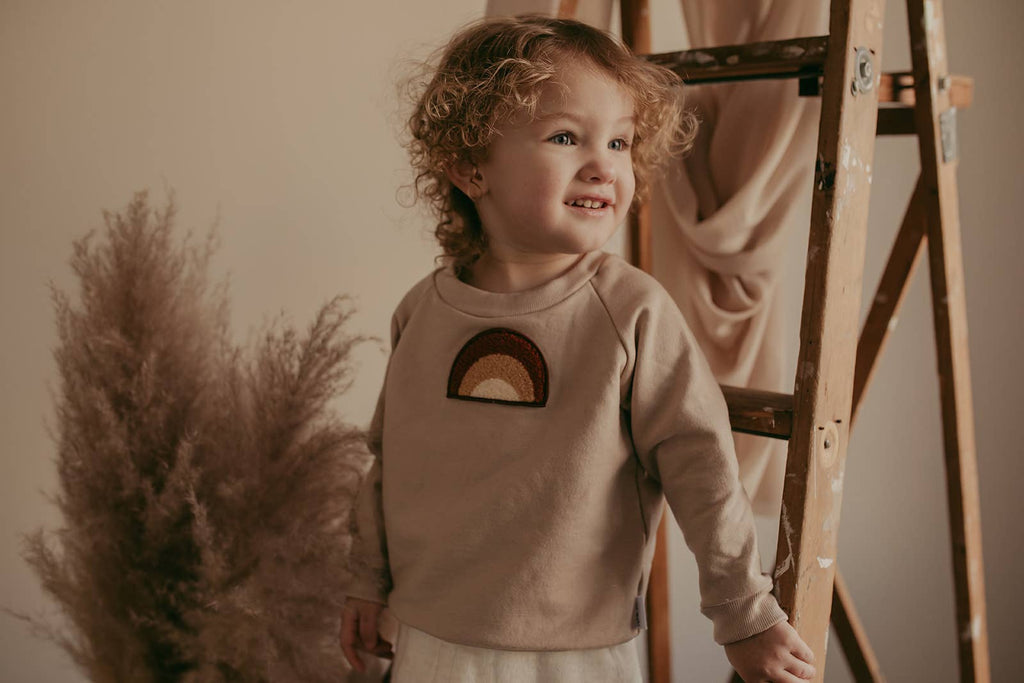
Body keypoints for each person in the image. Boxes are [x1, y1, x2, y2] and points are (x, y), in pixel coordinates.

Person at [340, 15, 816, 683]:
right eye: (565, 137)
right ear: (470, 166)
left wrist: (744, 614)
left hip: (573, 653)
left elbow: (703, 469)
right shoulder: (421, 311)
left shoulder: (632, 311)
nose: (603, 165)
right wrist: (367, 581)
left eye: (620, 141)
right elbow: (389, 460)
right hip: (429, 641)